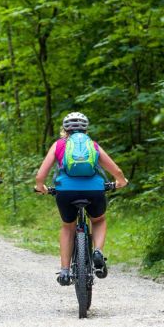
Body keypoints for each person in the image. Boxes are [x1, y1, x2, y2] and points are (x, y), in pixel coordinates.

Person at [33, 112, 128, 285]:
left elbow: (40, 176)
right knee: (98, 220)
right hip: (95, 191)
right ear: (85, 129)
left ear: (65, 129)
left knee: (68, 227)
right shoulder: (93, 145)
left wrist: (42, 188)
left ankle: (64, 271)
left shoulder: (59, 145)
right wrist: (120, 182)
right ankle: (98, 251)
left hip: (66, 192)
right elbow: (117, 172)